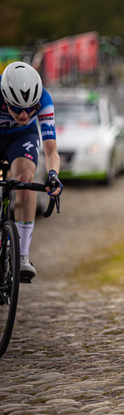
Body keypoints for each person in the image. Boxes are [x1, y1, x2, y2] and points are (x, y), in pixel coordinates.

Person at [0, 62, 63, 280]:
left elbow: (51, 149)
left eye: (30, 108)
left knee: (25, 181)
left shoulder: (44, 99)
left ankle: (22, 256)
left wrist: (53, 175)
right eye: (17, 108)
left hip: (21, 137)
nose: (25, 114)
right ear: (5, 98)